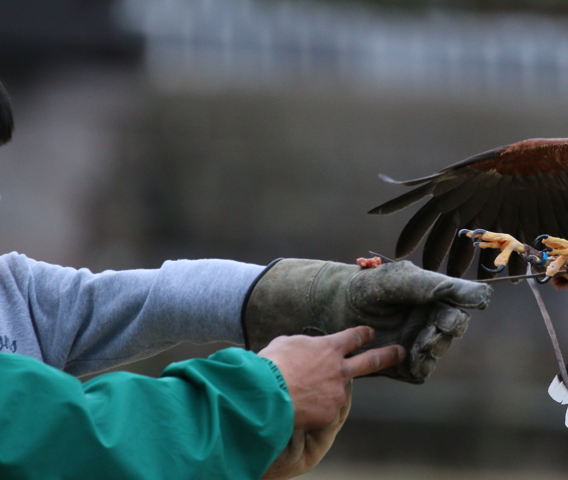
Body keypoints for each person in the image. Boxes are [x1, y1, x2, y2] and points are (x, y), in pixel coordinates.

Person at [0, 83, 492, 479]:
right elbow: (58, 442)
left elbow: (146, 299)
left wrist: (319, 296)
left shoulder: (10, 289)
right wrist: (262, 398)